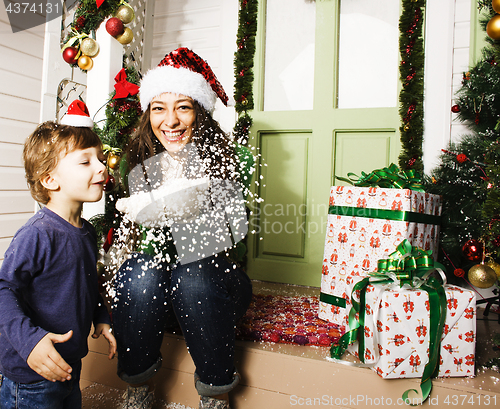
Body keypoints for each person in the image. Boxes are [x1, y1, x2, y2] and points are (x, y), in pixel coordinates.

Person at [112, 47, 254, 409]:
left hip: (215, 285)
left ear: (200, 114)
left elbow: (234, 240)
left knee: (192, 272)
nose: (170, 121)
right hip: (157, 293)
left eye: (183, 107)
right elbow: (145, 245)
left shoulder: (228, 160)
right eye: (159, 108)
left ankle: (215, 392)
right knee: (140, 271)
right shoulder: (139, 164)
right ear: (148, 115)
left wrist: (196, 208)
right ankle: (139, 386)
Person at [0, 100, 117, 409]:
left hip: (69, 364)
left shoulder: (86, 231)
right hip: (32, 374)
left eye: (100, 158)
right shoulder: (38, 233)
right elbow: (3, 288)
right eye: (85, 162)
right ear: (51, 180)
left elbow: (83, 285)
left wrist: (101, 318)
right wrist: (30, 342)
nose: (101, 167)